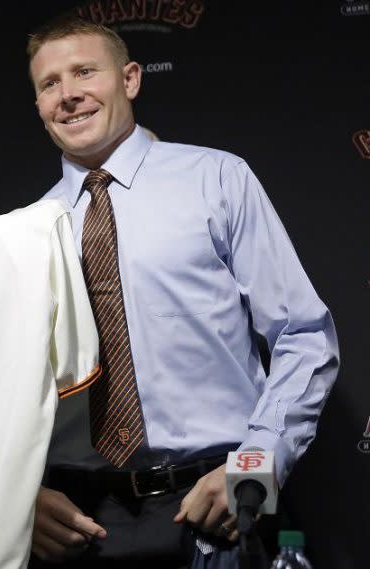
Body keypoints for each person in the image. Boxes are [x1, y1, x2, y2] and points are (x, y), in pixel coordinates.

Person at [26, 14, 339, 569]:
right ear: (38, 105)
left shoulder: (216, 179)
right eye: (50, 84)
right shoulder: (25, 230)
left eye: (84, 73)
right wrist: (20, 497)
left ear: (130, 80)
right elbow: (5, 392)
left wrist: (260, 459)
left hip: (217, 502)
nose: (68, 94)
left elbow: (302, 335)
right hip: (82, 523)